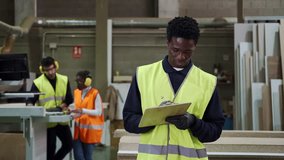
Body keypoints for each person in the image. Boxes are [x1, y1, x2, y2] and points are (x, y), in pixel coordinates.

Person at [123, 16, 225, 160]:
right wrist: (153, 119)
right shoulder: (143, 76)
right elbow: (128, 121)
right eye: (175, 50)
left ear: (195, 46)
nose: (181, 57)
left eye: (187, 52)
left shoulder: (208, 82)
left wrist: (193, 122)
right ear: (168, 43)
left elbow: (215, 131)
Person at [26, 56, 73, 160]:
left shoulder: (64, 79)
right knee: (50, 150)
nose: (51, 72)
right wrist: (30, 108)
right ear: (42, 70)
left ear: (56, 66)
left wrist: (63, 105)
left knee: (69, 145)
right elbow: (30, 100)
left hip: (61, 120)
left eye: (52, 69)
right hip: (47, 122)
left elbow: (69, 98)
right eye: (47, 70)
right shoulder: (38, 83)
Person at [72, 70, 104, 160]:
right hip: (78, 131)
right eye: (77, 81)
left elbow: (98, 112)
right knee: (78, 157)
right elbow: (76, 106)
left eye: (80, 81)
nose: (78, 83)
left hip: (90, 132)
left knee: (87, 157)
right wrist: (70, 110)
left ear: (87, 81)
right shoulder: (76, 92)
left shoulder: (95, 93)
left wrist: (83, 110)